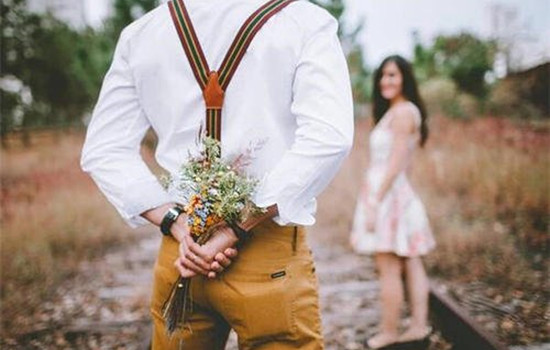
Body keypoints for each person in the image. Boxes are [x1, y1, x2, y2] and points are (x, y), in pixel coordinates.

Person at [80, 0, 354, 348]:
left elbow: (104, 149)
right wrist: (236, 226)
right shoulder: (304, 21)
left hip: (183, 253)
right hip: (267, 250)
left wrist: (177, 224)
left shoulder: (142, 34)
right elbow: (329, 137)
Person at [349, 55, 436, 349]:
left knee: (388, 266)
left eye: (392, 75)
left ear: (405, 79)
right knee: (411, 261)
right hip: (396, 193)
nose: (386, 81)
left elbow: (397, 162)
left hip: (387, 197)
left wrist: (375, 201)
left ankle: (389, 332)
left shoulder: (401, 113)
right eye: (383, 76)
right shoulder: (401, 111)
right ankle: (418, 328)